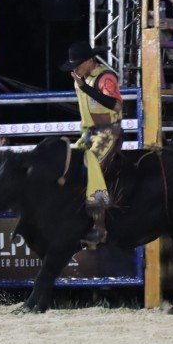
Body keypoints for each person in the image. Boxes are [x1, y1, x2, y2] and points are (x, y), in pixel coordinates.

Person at [60, 41, 123, 249]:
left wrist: (86, 88)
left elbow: (115, 104)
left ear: (89, 61)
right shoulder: (83, 77)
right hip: (89, 133)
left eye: (78, 64)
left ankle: (99, 226)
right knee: (68, 162)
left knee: (91, 162)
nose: (74, 69)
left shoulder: (105, 78)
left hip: (108, 132)